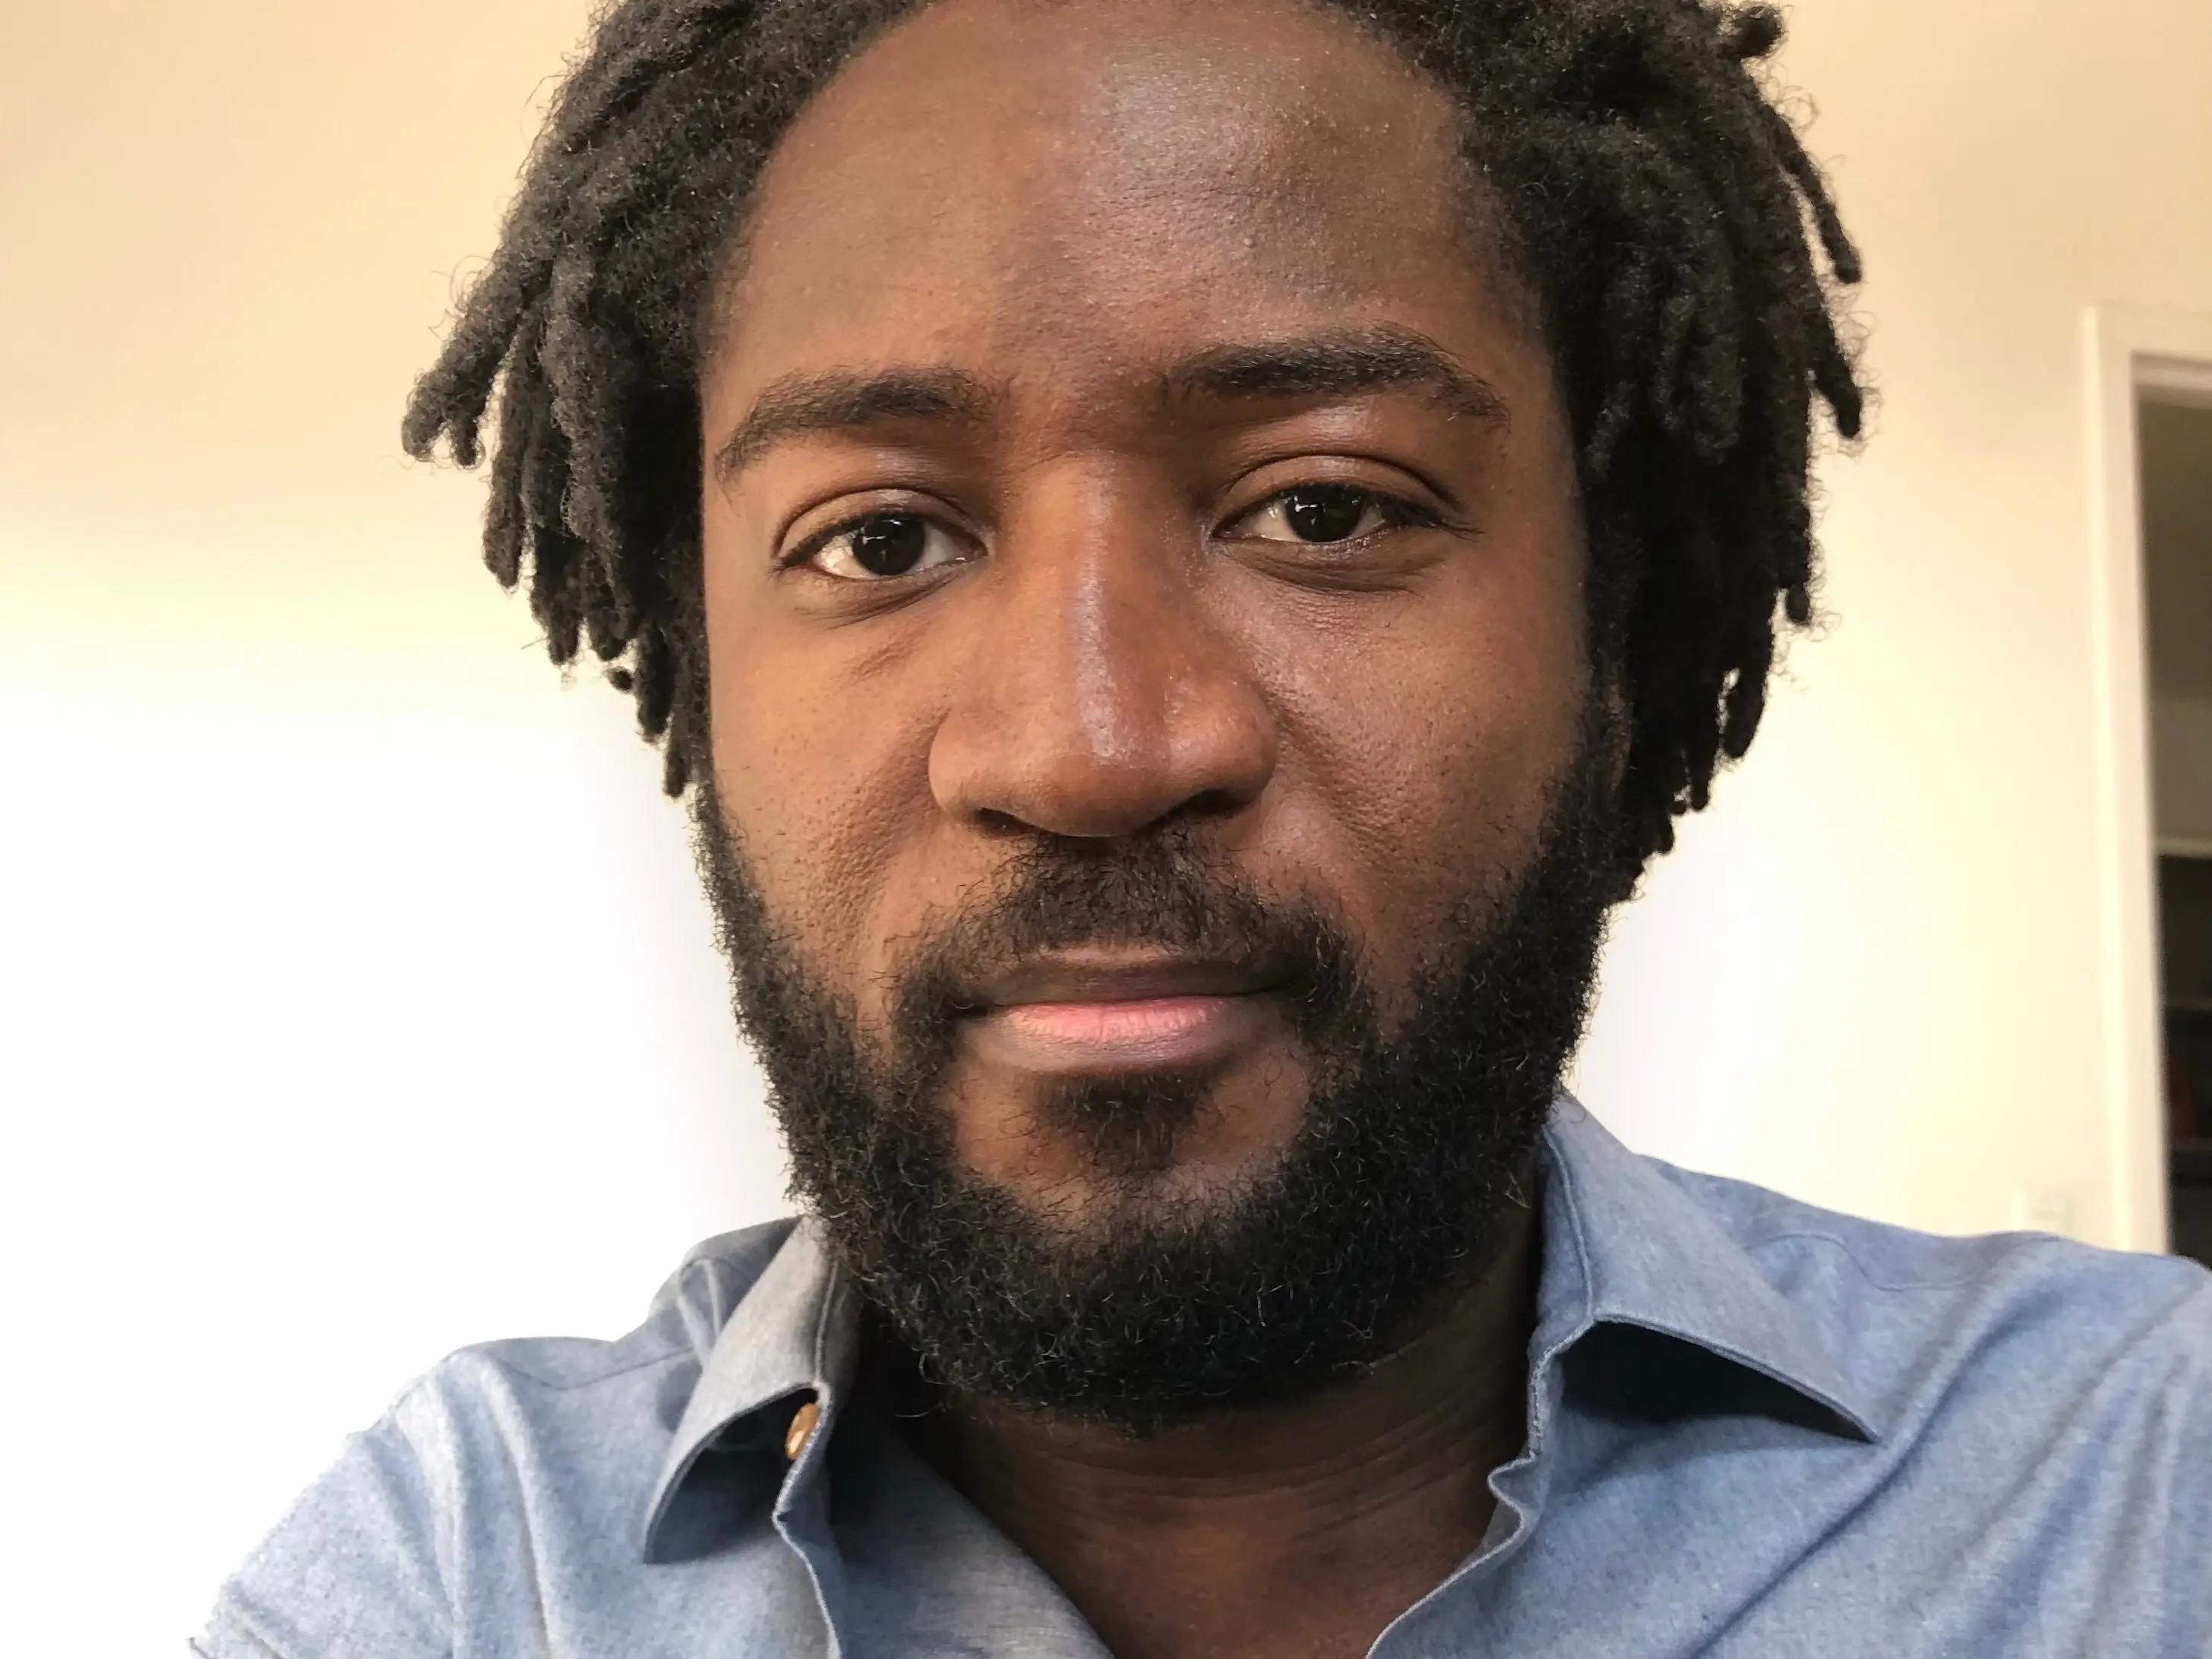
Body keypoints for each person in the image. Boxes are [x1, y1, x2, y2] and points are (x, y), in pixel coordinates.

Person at [196, 0, 2212, 1654]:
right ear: (699, 671)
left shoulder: (2139, 1486)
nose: (1088, 749)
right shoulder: (465, 1579)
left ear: (1617, 647)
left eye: (1324, 507)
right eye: (882, 537)